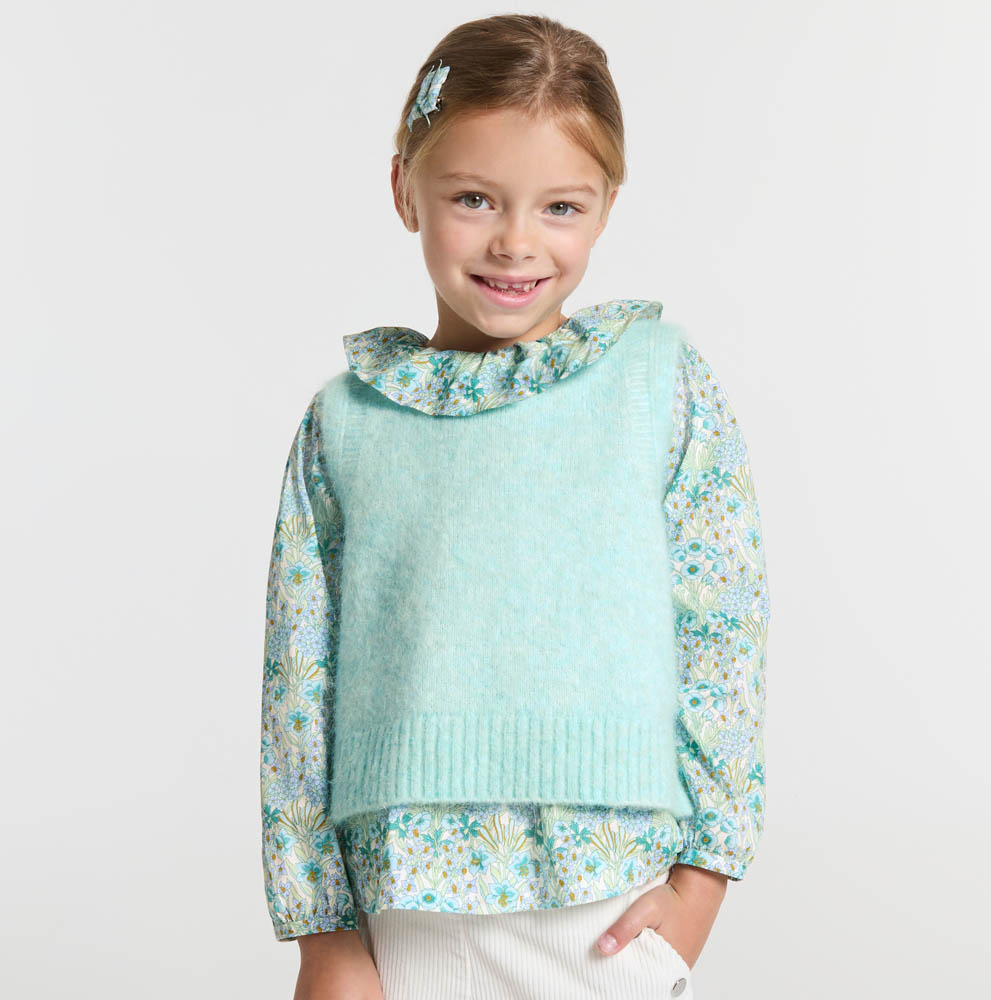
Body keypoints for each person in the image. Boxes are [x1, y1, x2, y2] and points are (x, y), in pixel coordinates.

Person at [259, 13, 770, 1000]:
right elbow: (297, 684)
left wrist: (702, 884)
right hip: (398, 910)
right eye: (473, 198)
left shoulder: (656, 383)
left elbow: (724, 630)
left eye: (560, 207)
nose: (516, 242)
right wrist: (322, 932)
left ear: (607, 207)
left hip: (603, 907)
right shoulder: (347, 421)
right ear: (403, 188)